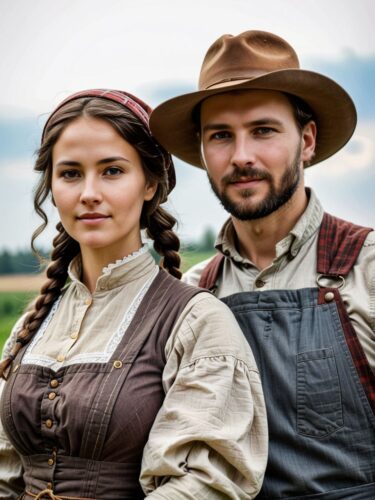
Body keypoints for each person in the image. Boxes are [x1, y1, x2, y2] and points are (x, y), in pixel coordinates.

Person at [0, 89, 268, 499]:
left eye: (112, 171)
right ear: (52, 188)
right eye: (70, 173)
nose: (89, 192)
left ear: (150, 183)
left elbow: (205, 485)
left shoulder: (196, 321)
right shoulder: (32, 326)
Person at [149, 30, 375, 499]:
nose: (242, 156)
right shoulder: (196, 295)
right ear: (203, 152)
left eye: (263, 130)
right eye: (221, 136)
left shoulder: (368, 270)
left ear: (307, 140)